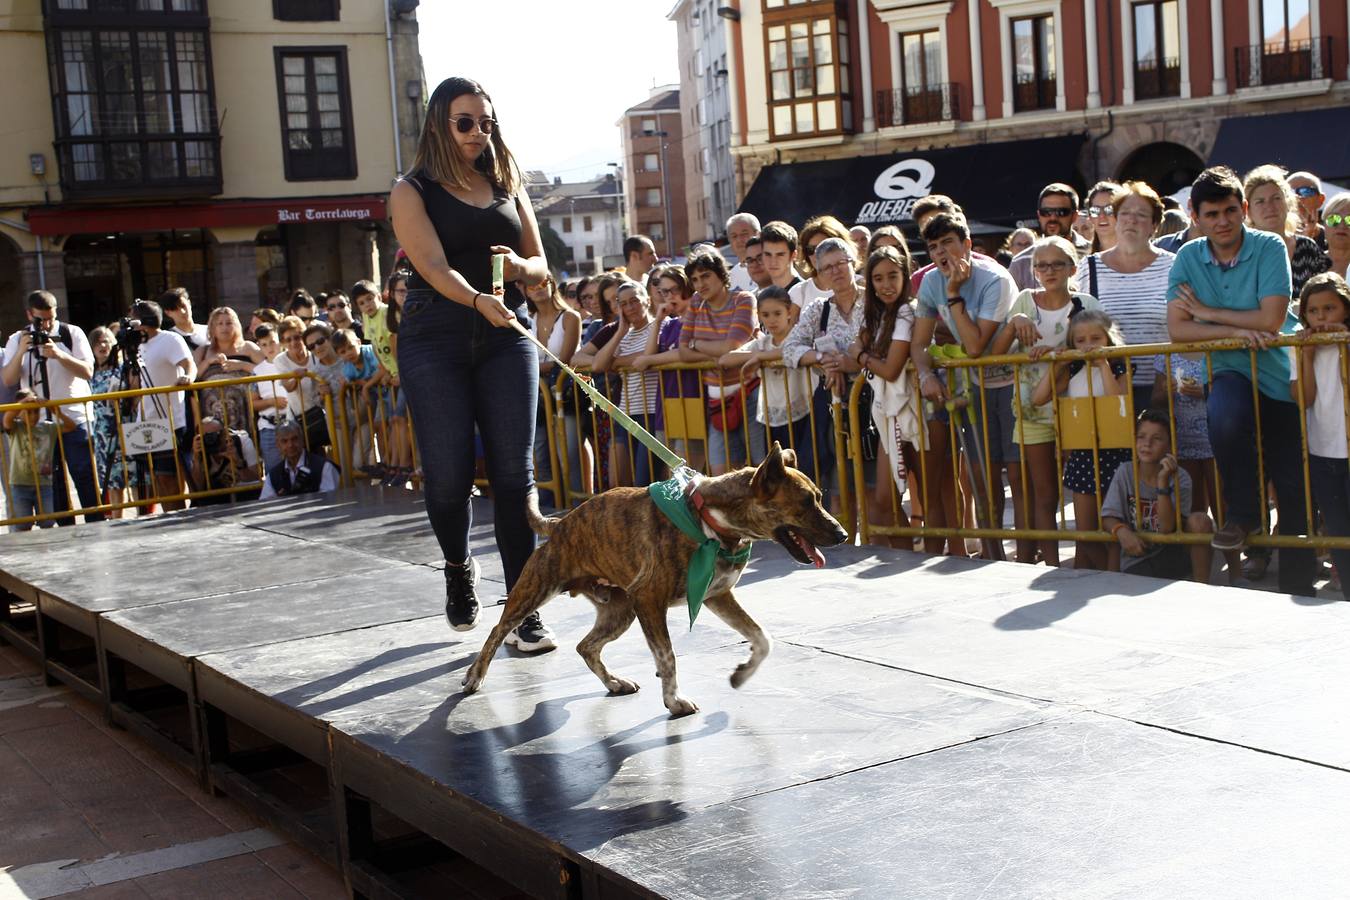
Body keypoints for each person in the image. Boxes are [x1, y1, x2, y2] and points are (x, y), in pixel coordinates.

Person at [388, 75, 556, 651]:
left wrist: (520, 272)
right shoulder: (411, 190)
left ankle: (523, 608)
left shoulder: (506, 181)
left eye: (486, 123)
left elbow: (541, 265)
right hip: (435, 334)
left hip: (507, 334)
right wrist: (478, 298)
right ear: (440, 123)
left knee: (515, 475)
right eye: (465, 122)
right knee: (449, 476)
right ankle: (458, 567)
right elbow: (433, 268)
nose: (478, 132)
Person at [1166, 165, 1315, 596]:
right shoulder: (1188, 257)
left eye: (1230, 211)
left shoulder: (1269, 245)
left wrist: (1208, 314)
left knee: (1292, 484)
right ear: (1195, 216)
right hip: (1230, 371)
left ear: (1243, 208)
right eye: (1211, 214)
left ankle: (1299, 585)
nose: (1222, 221)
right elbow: (1177, 329)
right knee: (1225, 415)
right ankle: (1244, 514)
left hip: (1281, 377)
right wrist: (1234, 330)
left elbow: (1271, 320)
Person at [991, 236, 1103, 567]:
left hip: (1078, 406)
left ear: (1072, 268)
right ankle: (1052, 565)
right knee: (1044, 493)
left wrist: (1059, 353)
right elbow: (996, 355)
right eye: (1041, 265)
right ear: (1034, 270)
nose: (1049, 270)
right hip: (1032, 409)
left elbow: (1104, 346)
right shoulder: (1024, 301)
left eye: (1056, 264)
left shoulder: (1086, 303)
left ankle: (1083, 560)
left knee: (1083, 488)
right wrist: (1015, 323)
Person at [910, 213, 1018, 553]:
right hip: (976, 387)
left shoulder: (994, 279)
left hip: (1015, 382)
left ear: (967, 245)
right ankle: (993, 554)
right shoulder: (930, 282)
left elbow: (974, 347)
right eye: (933, 247)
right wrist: (926, 375)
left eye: (948, 243)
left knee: (1020, 479)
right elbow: (919, 343)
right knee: (982, 477)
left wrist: (954, 293)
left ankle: (1030, 556)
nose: (940, 253)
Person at [1031, 309, 1131, 571]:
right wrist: (1056, 366)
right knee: (1085, 533)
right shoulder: (1073, 366)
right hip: (1083, 453)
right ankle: (1103, 574)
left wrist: (1103, 365)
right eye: (1081, 340)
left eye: (1096, 339)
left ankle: (1115, 576)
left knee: (1113, 525)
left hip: (1115, 452)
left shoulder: (1120, 365)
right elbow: (1038, 398)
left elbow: (1117, 402)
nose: (1088, 346)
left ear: (1108, 339)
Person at [1, 290, 103, 525]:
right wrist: (21, 351)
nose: (46, 325)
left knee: (84, 474)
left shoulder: (71, 333)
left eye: (51, 318)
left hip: (74, 418)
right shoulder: (17, 339)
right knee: (52, 480)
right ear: (29, 315)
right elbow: (8, 379)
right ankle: (65, 528)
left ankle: (95, 523)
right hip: (39, 423)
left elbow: (88, 371)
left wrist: (59, 355)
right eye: (41, 319)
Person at [848, 246, 925, 549]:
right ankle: (911, 560)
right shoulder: (877, 315)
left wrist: (862, 356)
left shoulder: (907, 311)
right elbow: (856, 346)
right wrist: (861, 353)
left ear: (905, 275)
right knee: (884, 503)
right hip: (890, 415)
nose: (886, 285)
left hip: (917, 411)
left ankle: (941, 559)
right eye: (878, 278)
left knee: (935, 497)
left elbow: (891, 369)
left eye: (893, 276)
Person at [1076, 181, 1175, 411]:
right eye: (1125, 213)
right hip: (1106, 389)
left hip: (1163, 391)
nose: (1131, 220)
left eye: (1141, 214)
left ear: (1154, 225)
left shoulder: (1174, 265)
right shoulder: (1089, 267)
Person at [780, 238, 867, 496]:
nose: (835, 271)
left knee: (874, 486)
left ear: (853, 262)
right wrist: (823, 359)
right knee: (837, 484)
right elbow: (789, 348)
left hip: (874, 397)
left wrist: (847, 363)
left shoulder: (873, 302)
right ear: (819, 273)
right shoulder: (818, 309)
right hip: (833, 402)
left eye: (841, 263)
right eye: (827, 267)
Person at [1101, 410, 1214, 583]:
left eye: (1157, 438)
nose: (1147, 444)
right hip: (1138, 557)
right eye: (1141, 437)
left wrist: (1162, 482)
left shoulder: (1181, 477)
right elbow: (1108, 516)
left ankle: (1201, 587)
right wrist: (1122, 532)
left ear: (1169, 445)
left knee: (1201, 520)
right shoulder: (1125, 471)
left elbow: (1166, 527)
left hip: (1173, 555)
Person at [721, 286, 817, 480]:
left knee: (806, 470)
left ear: (789, 312)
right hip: (772, 417)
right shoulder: (762, 344)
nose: (772, 320)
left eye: (777, 313)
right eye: (765, 315)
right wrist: (759, 355)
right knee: (778, 474)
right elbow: (725, 359)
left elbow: (793, 350)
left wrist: (761, 358)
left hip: (803, 413)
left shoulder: (798, 337)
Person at [679, 247, 761, 474]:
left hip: (750, 392)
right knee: (720, 474)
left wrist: (696, 343)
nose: (700, 284)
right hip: (717, 399)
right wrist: (719, 358)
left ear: (721, 275)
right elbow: (683, 352)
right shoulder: (696, 303)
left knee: (761, 467)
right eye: (695, 279)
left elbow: (731, 345)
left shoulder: (743, 299)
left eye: (705, 276)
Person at [1294, 272, 1350, 599]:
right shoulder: (1300, 345)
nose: (1321, 318)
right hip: (1322, 450)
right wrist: (1308, 355)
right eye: (1313, 311)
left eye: (1330, 308)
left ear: (1345, 309)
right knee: (1338, 530)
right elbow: (1304, 398)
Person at [633, 265, 704, 473]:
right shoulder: (670, 324)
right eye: (664, 292)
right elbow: (647, 355)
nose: (670, 296)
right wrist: (658, 321)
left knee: (686, 471)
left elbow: (682, 353)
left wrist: (651, 359)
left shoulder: (699, 318)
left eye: (675, 289)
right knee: (670, 470)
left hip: (691, 398)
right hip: (667, 402)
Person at [593, 280, 662, 486]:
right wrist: (620, 332)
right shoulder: (623, 334)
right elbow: (598, 365)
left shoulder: (659, 325)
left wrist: (616, 362)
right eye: (623, 304)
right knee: (618, 483)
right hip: (626, 414)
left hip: (651, 413)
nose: (630, 307)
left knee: (644, 481)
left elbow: (647, 356)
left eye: (634, 301)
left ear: (647, 300)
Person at [129, 300, 194, 511]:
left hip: (170, 419)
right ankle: (169, 517)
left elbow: (188, 363)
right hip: (145, 420)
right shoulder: (136, 345)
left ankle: (179, 517)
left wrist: (187, 377)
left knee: (170, 477)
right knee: (158, 480)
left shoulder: (169, 339)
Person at [526, 274, 581, 501]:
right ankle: (549, 506)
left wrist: (531, 368)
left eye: (542, 282)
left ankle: (577, 506)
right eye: (531, 285)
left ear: (552, 284)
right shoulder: (527, 319)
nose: (538, 288)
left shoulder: (570, 317)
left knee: (568, 453)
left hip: (563, 396)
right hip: (536, 396)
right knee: (540, 454)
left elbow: (563, 361)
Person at [1243, 164, 1329, 299]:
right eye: (1260, 202)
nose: (1270, 207)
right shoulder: (1241, 252)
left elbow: (1324, 298)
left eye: (1276, 198)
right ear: (1247, 210)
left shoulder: (1307, 248)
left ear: (1287, 203)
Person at [3, 388, 74, 531]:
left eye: (36, 411)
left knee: (47, 522)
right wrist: (23, 403)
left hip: (43, 484)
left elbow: (70, 426)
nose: (33, 416)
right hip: (20, 485)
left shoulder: (47, 428)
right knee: (22, 524)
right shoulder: (16, 428)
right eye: (28, 412)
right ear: (19, 412)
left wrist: (57, 412)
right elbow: (7, 419)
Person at [1009, 183, 1092, 290]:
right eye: (1046, 212)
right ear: (1039, 215)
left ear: (1074, 216)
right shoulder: (1021, 262)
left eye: (1061, 212)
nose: (1053, 218)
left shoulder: (1091, 252)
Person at [87, 326, 130, 516]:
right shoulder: (90, 373)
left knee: (133, 475)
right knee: (112, 479)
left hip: (125, 427)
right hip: (102, 433)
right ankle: (116, 518)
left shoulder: (123, 369)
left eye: (106, 341)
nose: (102, 345)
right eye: (98, 342)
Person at [332, 328, 384, 479]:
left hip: (385, 398)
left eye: (351, 347)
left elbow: (381, 370)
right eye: (343, 351)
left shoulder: (370, 352)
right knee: (359, 460)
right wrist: (348, 384)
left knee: (383, 430)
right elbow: (346, 383)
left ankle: (388, 466)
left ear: (359, 342)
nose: (349, 353)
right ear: (339, 355)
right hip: (368, 408)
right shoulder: (348, 367)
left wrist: (366, 385)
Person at [274, 315, 330, 454]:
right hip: (300, 418)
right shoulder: (280, 360)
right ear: (283, 342)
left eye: (297, 337)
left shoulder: (315, 351)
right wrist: (296, 377)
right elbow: (289, 387)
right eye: (288, 339)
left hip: (324, 412)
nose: (294, 342)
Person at [186, 415, 261, 505]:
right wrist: (197, 459)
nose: (212, 439)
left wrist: (238, 462)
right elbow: (197, 489)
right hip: (215, 500)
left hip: (243, 496)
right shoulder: (199, 448)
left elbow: (255, 478)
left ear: (225, 432)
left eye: (217, 434)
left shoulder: (241, 441)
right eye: (207, 436)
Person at [258, 420, 339, 499]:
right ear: (278, 445)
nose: (290, 445)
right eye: (284, 441)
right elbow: (266, 503)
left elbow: (330, 501)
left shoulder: (324, 467)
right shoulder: (273, 475)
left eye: (294, 439)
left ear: (302, 440)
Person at [789, 215, 853, 309]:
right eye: (811, 249)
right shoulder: (799, 292)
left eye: (824, 247)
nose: (817, 254)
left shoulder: (862, 284)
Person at [250, 324, 288, 472]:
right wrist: (272, 402)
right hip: (269, 427)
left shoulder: (290, 362)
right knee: (275, 471)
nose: (269, 347)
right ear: (259, 346)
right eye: (264, 344)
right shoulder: (257, 371)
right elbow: (252, 403)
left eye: (272, 342)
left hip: (294, 421)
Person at [158, 287, 208, 363]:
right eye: (175, 309)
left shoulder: (209, 330)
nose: (182, 311)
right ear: (167, 313)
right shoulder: (169, 338)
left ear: (189, 303)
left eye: (183, 306)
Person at [1287, 171, 1327, 248]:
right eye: (1289, 194)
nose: (1297, 198)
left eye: (1305, 192)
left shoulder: (1333, 239)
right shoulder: (1275, 239)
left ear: (1321, 199)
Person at [758, 220, 802, 290]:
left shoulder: (805, 293)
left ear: (793, 255)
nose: (773, 262)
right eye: (768, 254)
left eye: (780, 255)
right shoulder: (761, 293)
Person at [1083, 180, 1123, 253]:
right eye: (1095, 210)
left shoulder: (1140, 254)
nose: (1102, 216)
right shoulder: (1083, 257)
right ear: (1090, 217)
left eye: (1109, 209)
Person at [725, 212, 761, 293]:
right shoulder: (729, 278)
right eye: (734, 236)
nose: (739, 240)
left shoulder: (768, 269)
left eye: (744, 234)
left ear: (758, 234)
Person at [1324, 193, 1350, 278]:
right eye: (1334, 219)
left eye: (1349, 220)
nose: (1342, 226)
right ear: (1324, 224)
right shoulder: (1309, 262)